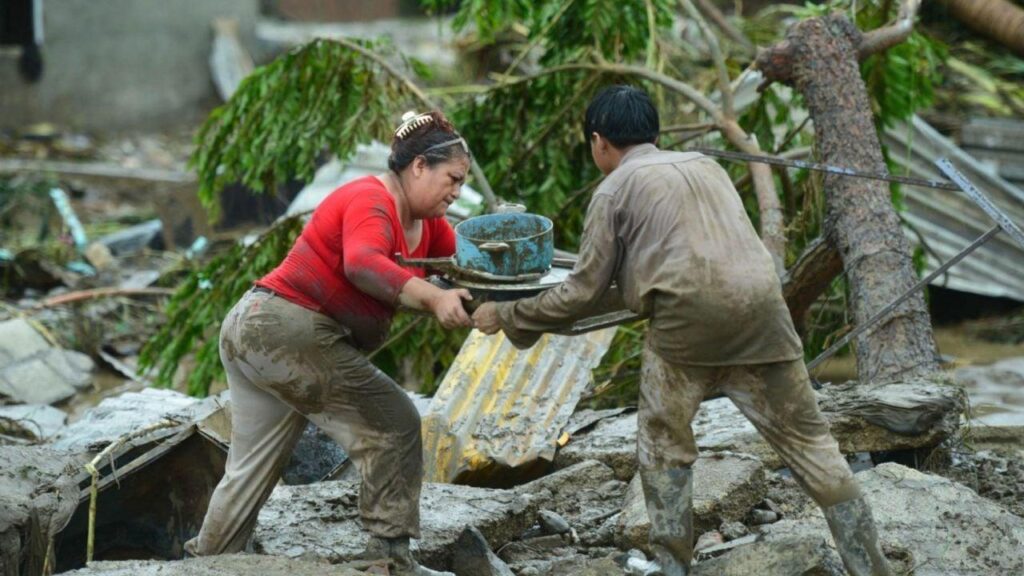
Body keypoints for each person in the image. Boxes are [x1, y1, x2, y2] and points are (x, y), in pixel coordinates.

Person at [472, 86, 892, 576]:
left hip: (687, 327)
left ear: (598, 141)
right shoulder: (707, 167)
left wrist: (506, 316)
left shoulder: (612, 190)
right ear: (655, 133)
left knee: (662, 440)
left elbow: (583, 292)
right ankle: (871, 567)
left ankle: (672, 565)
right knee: (812, 445)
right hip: (764, 313)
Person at [184, 111, 473, 576]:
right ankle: (389, 559)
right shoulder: (369, 198)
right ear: (419, 166)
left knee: (251, 468)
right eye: (452, 179)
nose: (457, 191)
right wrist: (435, 298)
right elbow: (362, 263)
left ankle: (209, 563)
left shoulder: (430, 225)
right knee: (394, 423)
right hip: (280, 328)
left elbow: (467, 266)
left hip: (254, 331)